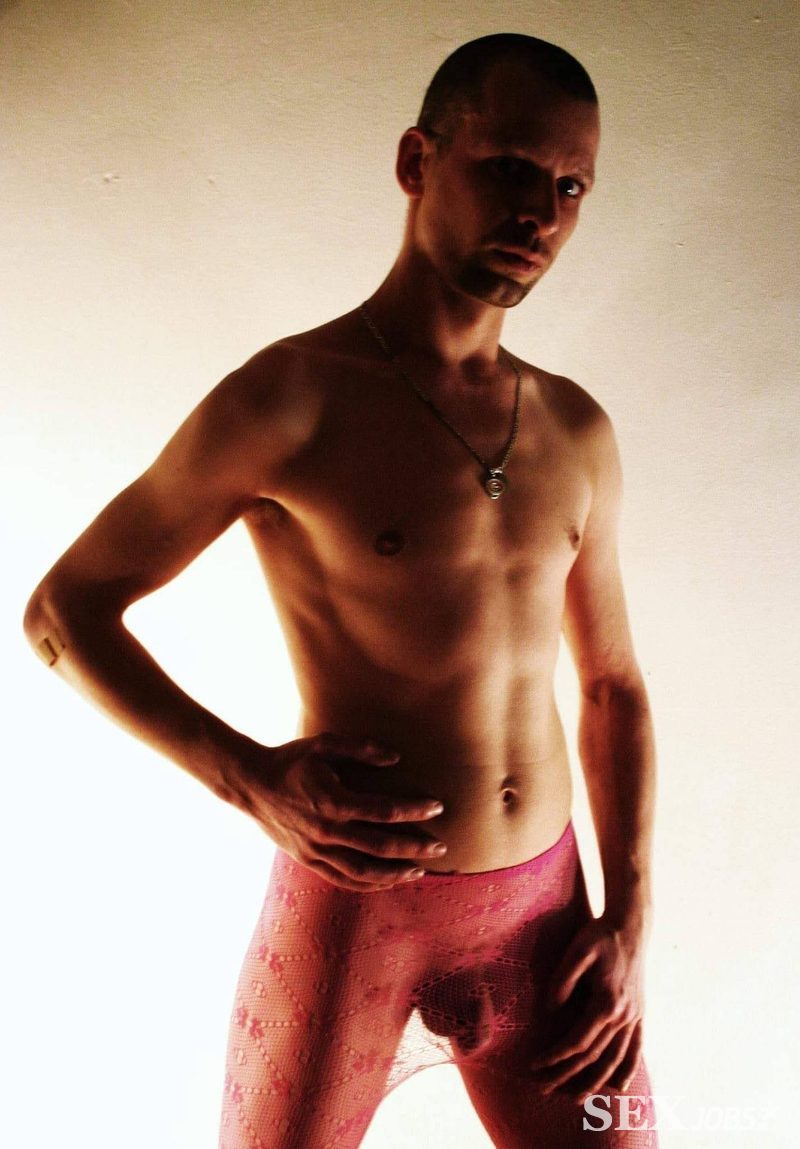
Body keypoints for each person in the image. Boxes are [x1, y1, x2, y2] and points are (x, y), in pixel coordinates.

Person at [24, 32, 659, 1149]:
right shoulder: (292, 397)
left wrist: (630, 921)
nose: (540, 212)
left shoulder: (574, 428)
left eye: (569, 187)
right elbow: (63, 614)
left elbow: (612, 688)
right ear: (417, 161)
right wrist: (247, 779)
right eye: (509, 168)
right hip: (356, 924)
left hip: (550, 929)